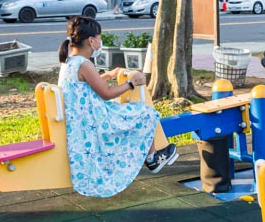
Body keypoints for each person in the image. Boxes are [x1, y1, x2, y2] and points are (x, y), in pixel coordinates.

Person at [58, 16, 177, 197]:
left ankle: (151, 155)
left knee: (133, 112)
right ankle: (152, 157)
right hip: (95, 118)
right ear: (91, 41)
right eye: (99, 37)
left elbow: (84, 84)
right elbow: (105, 93)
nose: (100, 41)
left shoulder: (69, 62)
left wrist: (108, 74)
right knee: (145, 112)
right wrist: (131, 84)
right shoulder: (85, 64)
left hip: (82, 118)